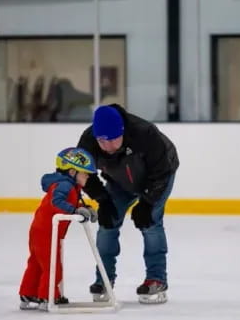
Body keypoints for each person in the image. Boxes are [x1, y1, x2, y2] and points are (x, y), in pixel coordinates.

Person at [77, 104, 179, 304]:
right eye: (101, 141)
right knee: (107, 224)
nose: (107, 147)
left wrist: (148, 202)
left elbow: (163, 170)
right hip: (120, 180)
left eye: (113, 140)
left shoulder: (144, 133)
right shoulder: (88, 141)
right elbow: (82, 173)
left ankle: (156, 279)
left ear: (122, 131)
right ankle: (104, 279)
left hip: (157, 177)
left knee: (150, 223)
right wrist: (102, 199)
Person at [19, 147, 98, 311]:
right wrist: (75, 211)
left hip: (41, 230)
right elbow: (57, 202)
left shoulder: (69, 185)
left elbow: (72, 202)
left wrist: (86, 208)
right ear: (72, 172)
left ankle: (29, 293)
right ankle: (47, 297)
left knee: (37, 263)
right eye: (85, 173)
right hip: (46, 232)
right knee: (52, 267)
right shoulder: (64, 185)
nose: (88, 177)